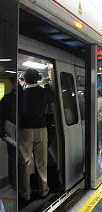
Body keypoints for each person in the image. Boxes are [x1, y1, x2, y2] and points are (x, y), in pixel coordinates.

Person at [19, 68, 54, 201]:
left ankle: (25, 193)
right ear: (38, 78)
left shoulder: (22, 93)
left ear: (25, 79)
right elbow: (52, 98)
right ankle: (44, 190)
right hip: (41, 129)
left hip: (25, 130)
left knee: (25, 162)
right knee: (41, 161)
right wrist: (45, 84)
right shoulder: (43, 91)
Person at [0, 77, 17, 188]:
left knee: (22, 159)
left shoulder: (24, 97)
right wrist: (2, 133)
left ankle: (19, 181)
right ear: (13, 84)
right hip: (10, 133)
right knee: (13, 158)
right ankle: (14, 182)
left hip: (23, 133)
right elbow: (0, 117)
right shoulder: (6, 99)